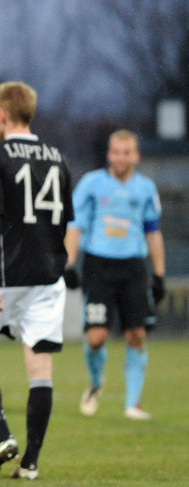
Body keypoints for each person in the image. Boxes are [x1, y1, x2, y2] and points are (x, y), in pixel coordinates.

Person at [0, 81, 73, 481]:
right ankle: (30, 463)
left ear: (4, 114)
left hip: (7, 273)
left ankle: (3, 435)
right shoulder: (58, 157)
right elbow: (68, 223)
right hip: (48, 275)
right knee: (39, 367)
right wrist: (65, 263)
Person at [63, 130, 166, 421]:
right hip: (98, 265)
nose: (121, 157)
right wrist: (69, 264)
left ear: (136, 155)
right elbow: (75, 225)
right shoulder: (92, 184)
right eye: (116, 152)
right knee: (96, 337)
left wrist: (158, 274)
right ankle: (96, 384)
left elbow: (153, 232)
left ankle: (133, 403)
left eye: (127, 152)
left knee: (136, 334)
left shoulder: (145, 189)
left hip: (134, 266)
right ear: (109, 154)